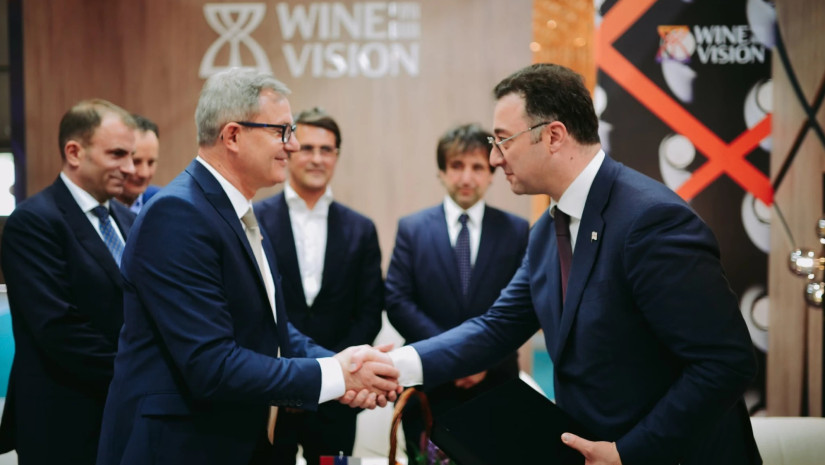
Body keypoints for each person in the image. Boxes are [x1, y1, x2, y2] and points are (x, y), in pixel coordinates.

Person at [369, 63, 761, 465]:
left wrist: (628, 453)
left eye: (502, 140)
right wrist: (392, 365)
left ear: (553, 136)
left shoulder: (650, 220)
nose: (494, 158)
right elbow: (496, 328)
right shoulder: (546, 232)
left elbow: (724, 361)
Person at [96, 69, 398, 465]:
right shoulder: (178, 215)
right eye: (281, 131)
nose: (292, 146)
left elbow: (273, 329)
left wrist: (346, 365)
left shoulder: (236, 213)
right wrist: (336, 375)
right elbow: (212, 365)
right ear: (233, 136)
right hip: (181, 447)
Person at [0, 99, 137, 464]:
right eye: (117, 154)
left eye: (132, 156)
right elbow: (57, 327)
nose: (130, 168)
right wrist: (139, 373)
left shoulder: (128, 221)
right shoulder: (33, 222)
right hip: (63, 423)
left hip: (122, 416)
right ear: (75, 152)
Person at [385, 123, 528, 456]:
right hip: (430, 384)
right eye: (456, 166)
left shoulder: (517, 231)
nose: (466, 177)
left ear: (491, 173)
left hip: (495, 381)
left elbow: (525, 307)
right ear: (441, 172)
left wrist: (481, 358)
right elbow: (397, 300)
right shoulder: (412, 229)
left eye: (477, 167)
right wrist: (453, 357)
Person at [254, 108, 384, 465]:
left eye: (326, 150)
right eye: (307, 148)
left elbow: (369, 313)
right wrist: (295, 377)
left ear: (337, 156)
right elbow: (254, 310)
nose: (316, 158)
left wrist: (334, 376)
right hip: (273, 391)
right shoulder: (254, 220)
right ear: (289, 150)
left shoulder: (361, 228)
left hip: (339, 396)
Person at [116, 114, 161, 213]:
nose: (144, 173)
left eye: (151, 163)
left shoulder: (165, 203)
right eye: (135, 162)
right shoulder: (99, 211)